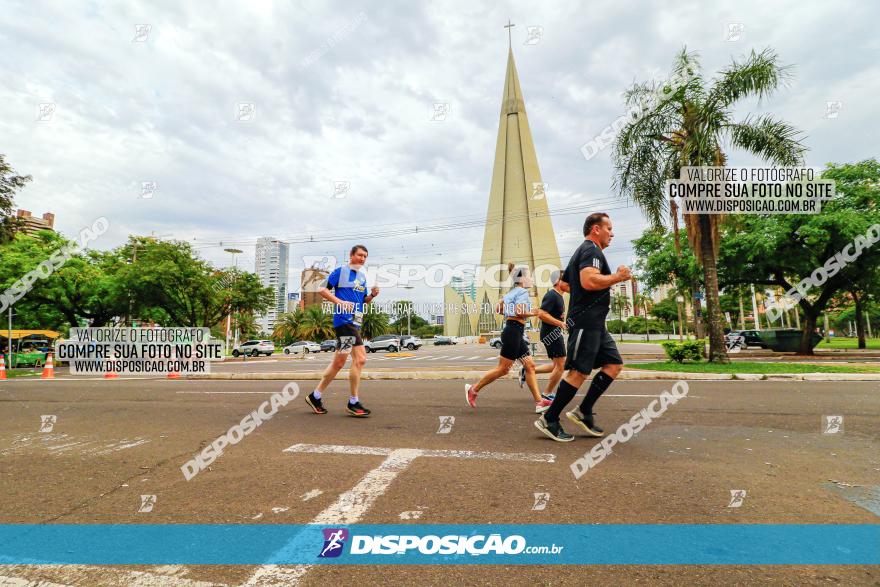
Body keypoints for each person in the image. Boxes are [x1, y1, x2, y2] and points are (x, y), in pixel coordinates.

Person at [535, 212, 630, 442]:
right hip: (586, 323)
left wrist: (579, 293)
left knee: (614, 365)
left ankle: (584, 411)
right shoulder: (591, 250)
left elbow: (565, 283)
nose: (612, 233)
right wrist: (617, 277)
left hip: (596, 324)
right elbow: (588, 280)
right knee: (578, 373)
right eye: (609, 228)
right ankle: (550, 418)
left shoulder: (583, 251)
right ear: (596, 229)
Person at [465, 263, 553, 413]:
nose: (531, 279)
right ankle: (473, 389)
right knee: (503, 369)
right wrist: (535, 312)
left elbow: (498, 308)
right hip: (513, 331)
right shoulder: (522, 293)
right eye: (529, 276)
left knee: (530, 366)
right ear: (523, 279)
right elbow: (520, 311)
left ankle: (539, 402)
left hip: (514, 331)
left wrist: (510, 312)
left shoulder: (512, 292)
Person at [305, 244, 379, 417]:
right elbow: (322, 289)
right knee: (360, 359)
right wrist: (339, 302)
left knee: (339, 363)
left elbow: (363, 300)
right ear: (351, 255)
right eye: (360, 255)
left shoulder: (362, 277)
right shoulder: (340, 272)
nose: (363, 258)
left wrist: (373, 295)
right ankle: (353, 402)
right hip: (345, 322)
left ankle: (315, 396)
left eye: (365, 256)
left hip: (355, 322)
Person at [520, 269, 569, 401]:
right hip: (551, 333)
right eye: (567, 279)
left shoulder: (559, 296)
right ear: (558, 281)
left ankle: (527, 371)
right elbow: (541, 314)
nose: (570, 281)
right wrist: (560, 323)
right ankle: (547, 393)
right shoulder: (552, 295)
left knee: (556, 365)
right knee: (561, 365)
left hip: (554, 333)